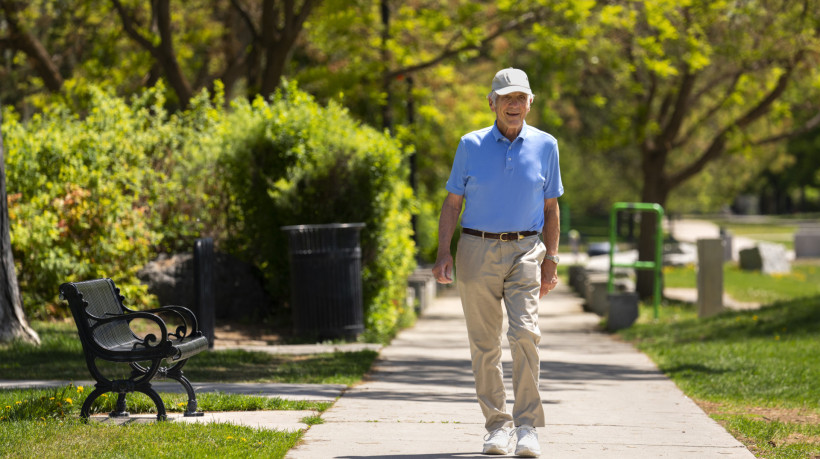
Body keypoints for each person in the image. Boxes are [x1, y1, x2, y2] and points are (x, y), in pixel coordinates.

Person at [432, 67, 563, 458]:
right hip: (476, 249)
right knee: (484, 343)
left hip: (526, 249)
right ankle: (496, 426)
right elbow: (452, 203)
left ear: (529, 104)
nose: (513, 105)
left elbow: (551, 206)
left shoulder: (546, 145)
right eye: (506, 98)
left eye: (520, 98)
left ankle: (526, 427)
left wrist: (552, 259)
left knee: (525, 333)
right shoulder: (470, 145)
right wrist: (443, 252)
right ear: (492, 102)